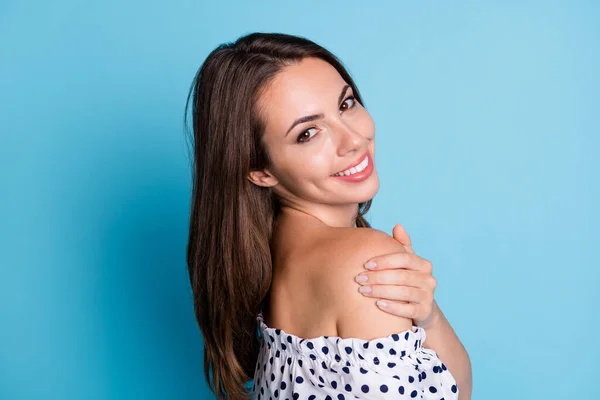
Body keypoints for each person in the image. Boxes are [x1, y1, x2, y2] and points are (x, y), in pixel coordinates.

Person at [184, 32, 472, 400]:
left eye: (346, 104)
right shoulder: (365, 260)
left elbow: (454, 387)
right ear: (260, 170)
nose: (352, 139)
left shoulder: (273, 257)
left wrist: (426, 315)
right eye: (308, 133)